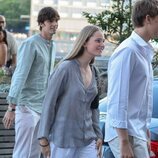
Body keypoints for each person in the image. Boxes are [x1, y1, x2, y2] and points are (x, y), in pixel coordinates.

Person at [38, 25, 104, 158]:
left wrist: (98, 135)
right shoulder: (65, 68)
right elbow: (49, 104)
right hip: (63, 141)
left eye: (103, 41)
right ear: (85, 42)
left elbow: (94, 108)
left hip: (88, 140)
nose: (102, 44)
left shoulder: (95, 72)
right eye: (98, 40)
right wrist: (43, 139)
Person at [2, 7, 60, 158]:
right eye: (50, 21)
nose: (54, 24)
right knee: (22, 153)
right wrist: (11, 107)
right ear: (41, 23)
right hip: (27, 107)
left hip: (43, 107)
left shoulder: (52, 46)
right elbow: (20, 74)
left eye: (56, 21)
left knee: (34, 153)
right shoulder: (30, 44)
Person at [105, 0, 158, 158]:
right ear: (147, 19)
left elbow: (139, 99)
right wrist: (123, 141)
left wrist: (145, 131)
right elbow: (117, 99)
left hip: (136, 132)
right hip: (126, 134)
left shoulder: (142, 51)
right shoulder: (128, 51)